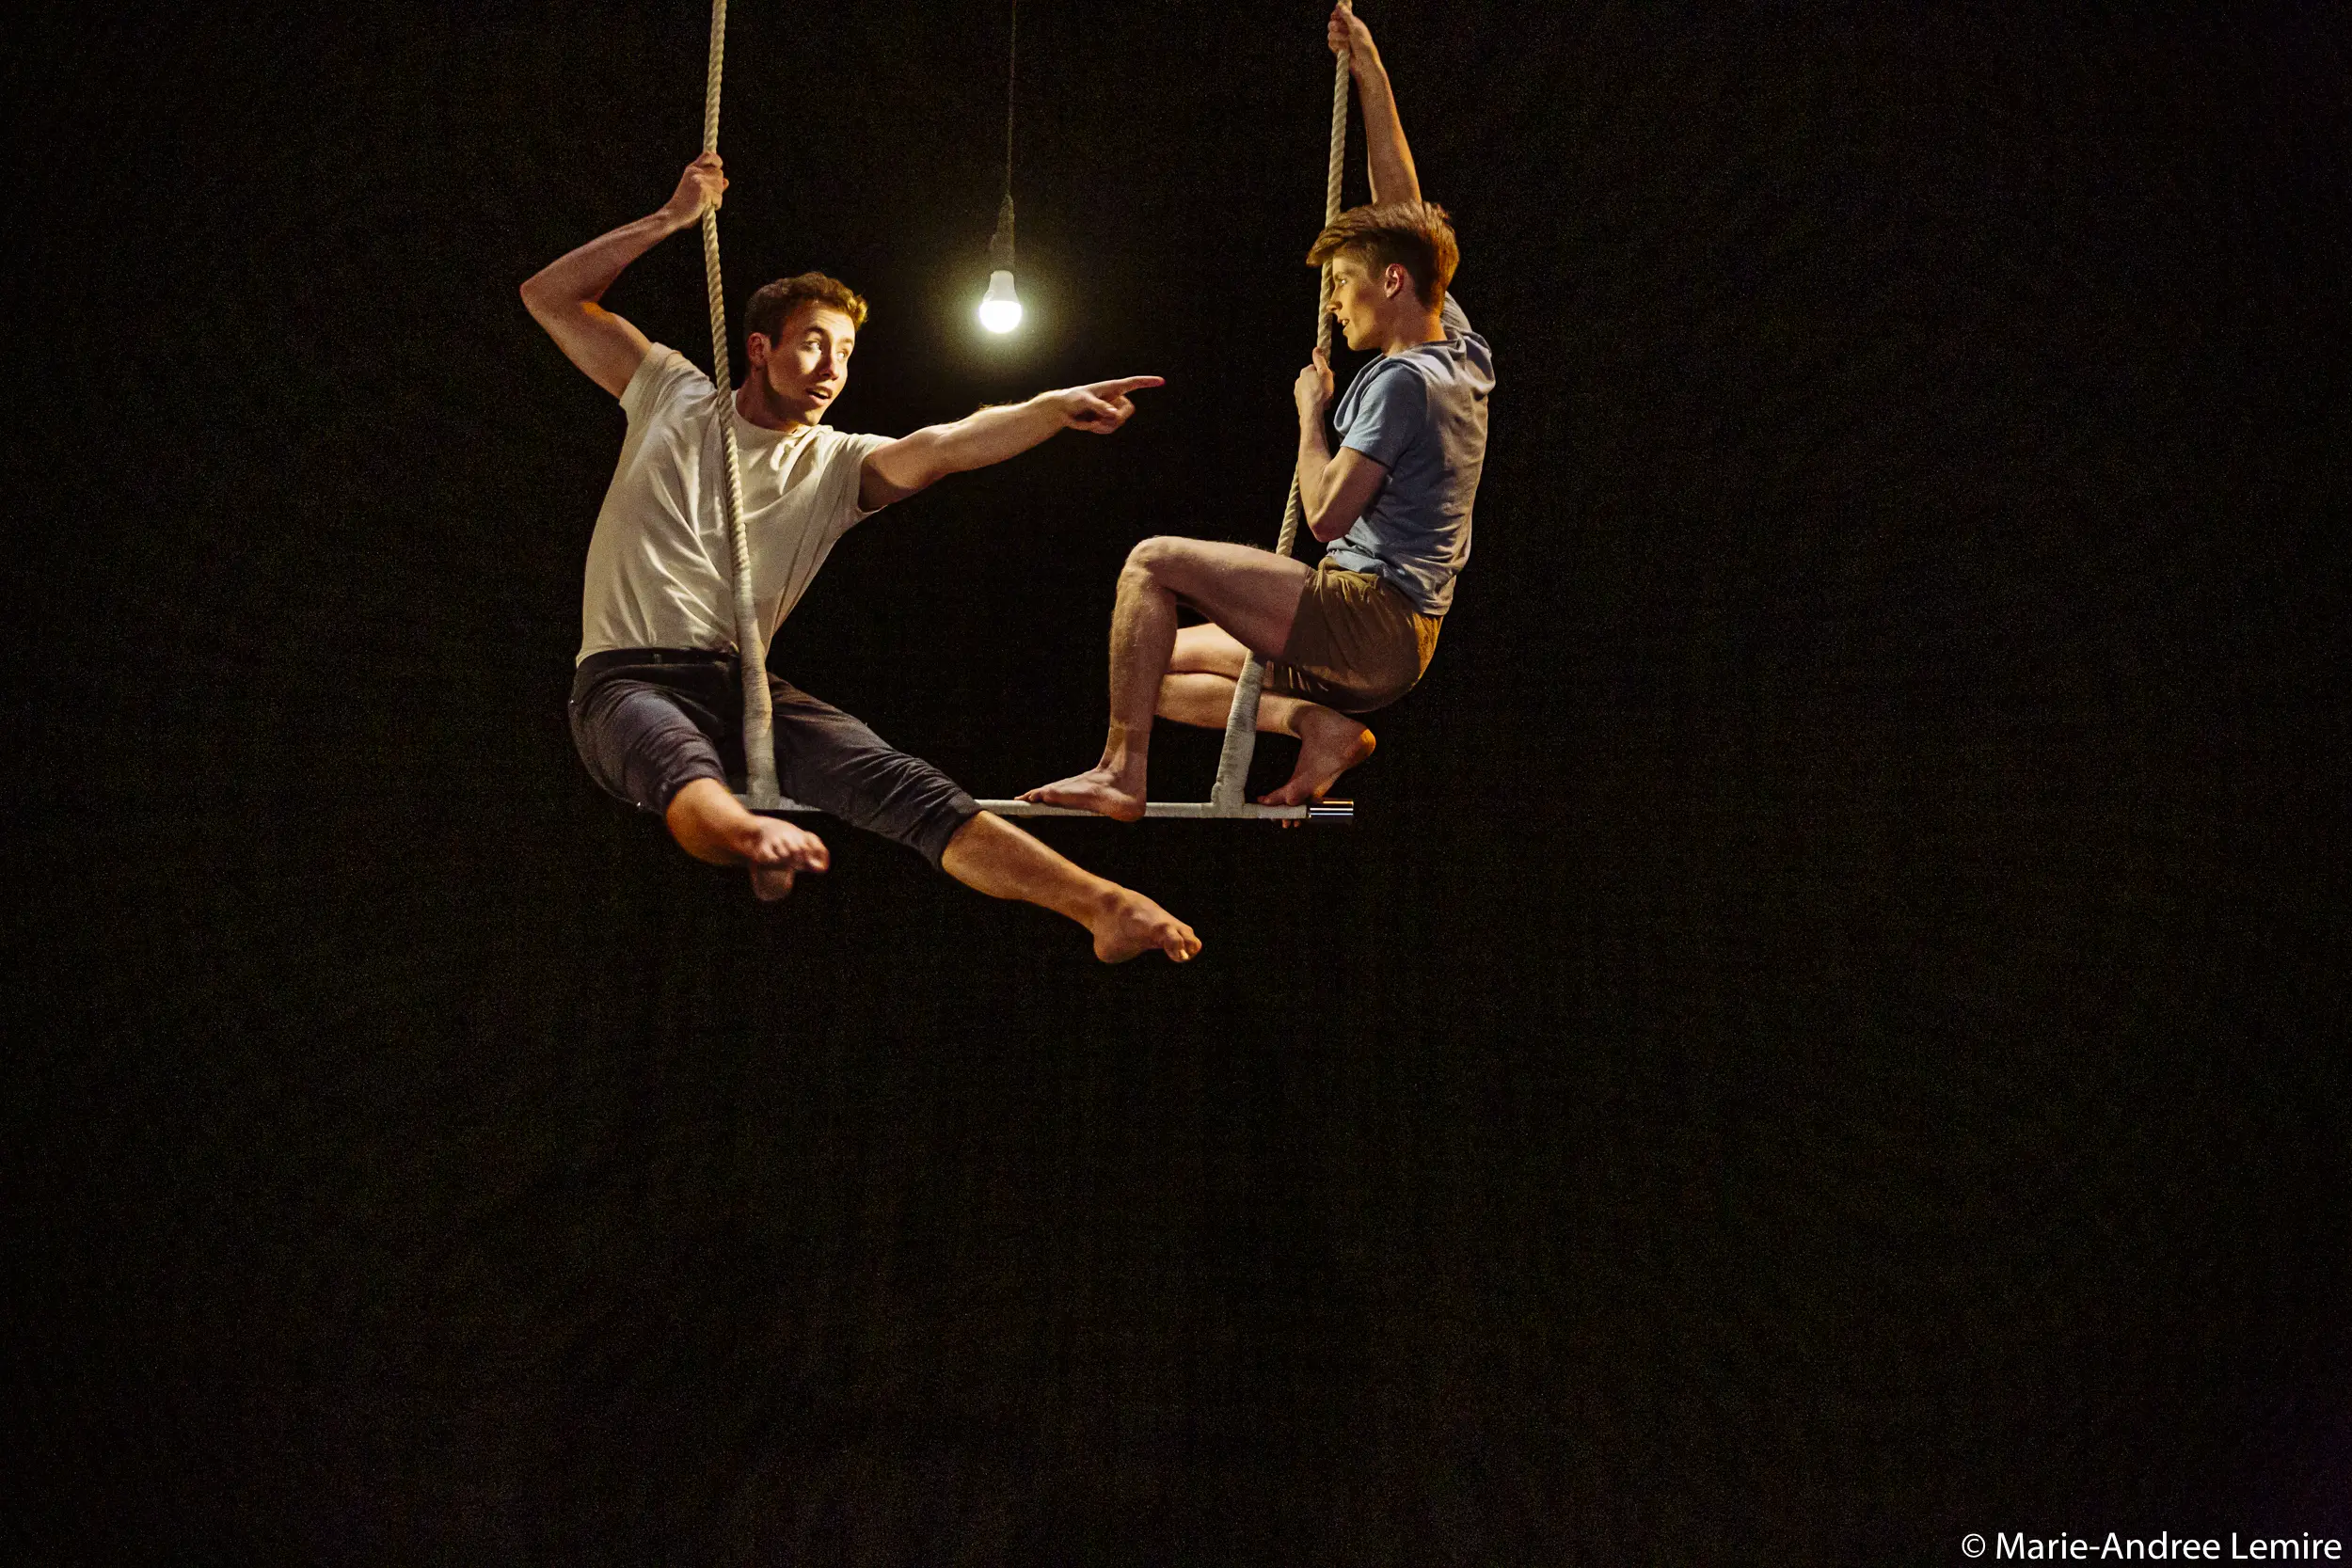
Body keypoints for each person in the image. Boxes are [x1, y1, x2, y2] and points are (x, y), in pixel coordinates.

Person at [522, 153, 1200, 962]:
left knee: (901, 781)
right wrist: (670, 218)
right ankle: (749, 837)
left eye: (845, 352)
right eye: (813, 345)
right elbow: (550, 296)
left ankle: (1104, 906)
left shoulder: (838, 467)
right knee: (679, 762)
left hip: (743, 684)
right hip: (623, 680)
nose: (833, 370)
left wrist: (1050, 408)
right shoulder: (671, 393)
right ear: (759, 347)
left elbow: (946, 445)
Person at [1023, 3, 1494, 820]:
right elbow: (1405, 212)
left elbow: (1322, 513)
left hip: (1367, 617)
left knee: (1150, 561)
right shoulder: (1461, 350)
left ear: (1389, 284)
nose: (1337, 307)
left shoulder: (1400, 383)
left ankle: (1119, 773)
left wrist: (1313, 411)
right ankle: (1320, 729)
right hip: (1395, 639)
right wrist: (1371, 74)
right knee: (1151, 661)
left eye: (1343, 285)